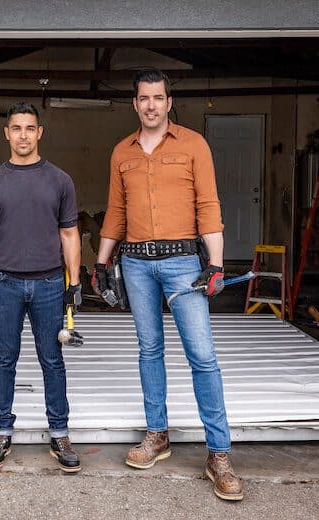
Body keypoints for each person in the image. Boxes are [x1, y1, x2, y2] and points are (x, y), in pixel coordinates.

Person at [91, 69, 243, 500]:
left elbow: (209, 205)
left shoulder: (194, 144)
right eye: (144, 99)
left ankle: (219, 453)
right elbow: (116, 211)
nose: (151, 105)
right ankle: (157, 434)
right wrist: (101, 264)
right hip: (136, 264)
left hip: (183, 263)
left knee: (203, 356)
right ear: (135, 104)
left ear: (168, 102)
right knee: (149, 350)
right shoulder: (122, 152)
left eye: (158, 98)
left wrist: (214, 265)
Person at [0, 102, 83, 473]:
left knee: (53, 360)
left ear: (40, 133)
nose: (22, 135)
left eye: (29, 128)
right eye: (16, 128)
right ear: (7, 133)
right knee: (5, 359)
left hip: (50, 282)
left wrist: (75, 282)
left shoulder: (60, 180)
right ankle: (2, 431)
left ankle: (60, 433)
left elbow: (70, 233)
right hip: (4, 283)